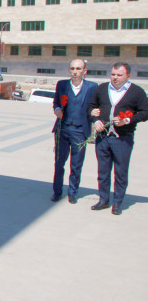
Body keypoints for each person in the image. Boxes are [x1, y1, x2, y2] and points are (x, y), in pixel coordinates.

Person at [88, 63, 148, 215]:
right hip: (103, 138)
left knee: (120, 172)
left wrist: (127, 121)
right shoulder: (102, 88)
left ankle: (117, 203)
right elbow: (91, 107)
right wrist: (95, 120)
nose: (115, 77)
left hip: (122, 139)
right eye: (113, 74)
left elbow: (145, 112)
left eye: (119, 75)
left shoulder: (136, 92)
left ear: (128, 76)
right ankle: (103, 200)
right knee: (103, 171)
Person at [51, 59, 97, 204]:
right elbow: (56, 102)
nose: (75, 71)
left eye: (78, 68)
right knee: (59, 163)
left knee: (76, 164)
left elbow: (95, 105)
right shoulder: (62, 84)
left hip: (80, 131)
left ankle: (72, 192)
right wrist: (57, 109)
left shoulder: (92, 87)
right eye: (72, 68)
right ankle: (57, 192)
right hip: (63, 128)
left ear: (85, 71)